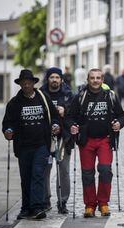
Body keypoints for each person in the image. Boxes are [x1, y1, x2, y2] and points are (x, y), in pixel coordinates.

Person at [67, 68, 124, 218]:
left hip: (105, 139)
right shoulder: (80, 96)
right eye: (92, 78)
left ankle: (103, 203)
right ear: (88, 79)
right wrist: (72, 126)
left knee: (105, 170)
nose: (95, 80)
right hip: (86, 141)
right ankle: (90, 205)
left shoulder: (110, 96)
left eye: (98, 78)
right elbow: (69, 117)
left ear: (102, 80)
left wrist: (119, 124)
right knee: (87, 174)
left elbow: (122, 115)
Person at [2, 69, 60, 220]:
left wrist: (55, 125)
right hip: (23, 146)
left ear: (34, 83)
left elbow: (54, 116)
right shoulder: (14, 103)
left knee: (37, 174)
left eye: (29, 82)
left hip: (42, 144)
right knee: (26, 177)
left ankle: (37, 207)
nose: (26, 85)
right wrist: (8, 131)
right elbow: (7, 123)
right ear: (20, 84)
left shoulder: (43, 98)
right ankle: (26, 208)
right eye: (24, 83)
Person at [40, 67, 75, 214]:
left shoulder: (68, 95)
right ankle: (45, 199)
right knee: (44, 170)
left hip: (63, 138)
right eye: (52, 77)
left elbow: (75, 113)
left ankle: (62, 201)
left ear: (61, 79)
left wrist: (65, 111)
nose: (54, 80)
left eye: (57, 77)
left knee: (64, 171)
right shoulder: (40, 94)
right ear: (47, 79)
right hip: (45, 138)